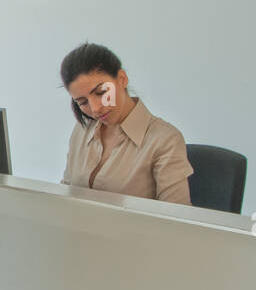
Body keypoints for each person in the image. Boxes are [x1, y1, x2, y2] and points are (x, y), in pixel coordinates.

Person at [59, 42, 192, 205]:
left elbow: (177, 221)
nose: (95, 109)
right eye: (82, 102)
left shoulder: (165, 140)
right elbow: (66, 195)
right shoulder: (82, 130)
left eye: (101, 93)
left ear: (122, 79)